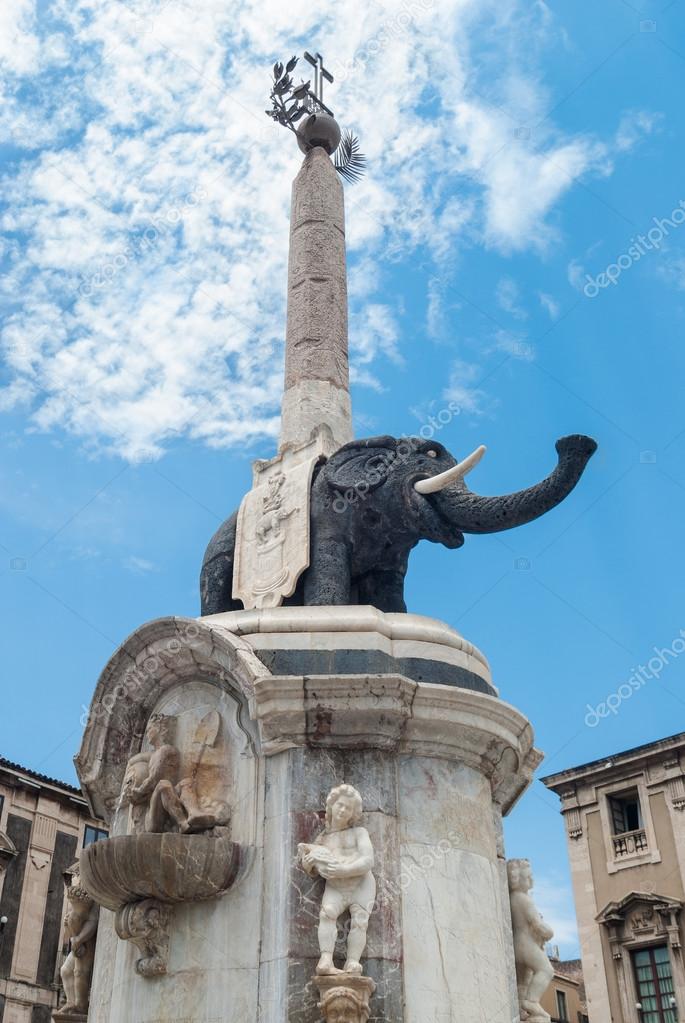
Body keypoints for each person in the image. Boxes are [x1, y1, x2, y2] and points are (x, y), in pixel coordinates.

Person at [299, 783, 376, 976]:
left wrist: (343, 869)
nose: (343, 810)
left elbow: (368, 861)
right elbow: (314, 870)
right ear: (331, 806)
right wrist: (309, 862)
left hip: (361, 883)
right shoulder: (322, 840)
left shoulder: (359, 833)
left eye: (348, 808)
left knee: (360, 920)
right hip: (336, 885)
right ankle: (326, 960)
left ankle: (352, 962)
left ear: (353, 813)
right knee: (327, 914)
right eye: (340, 805)